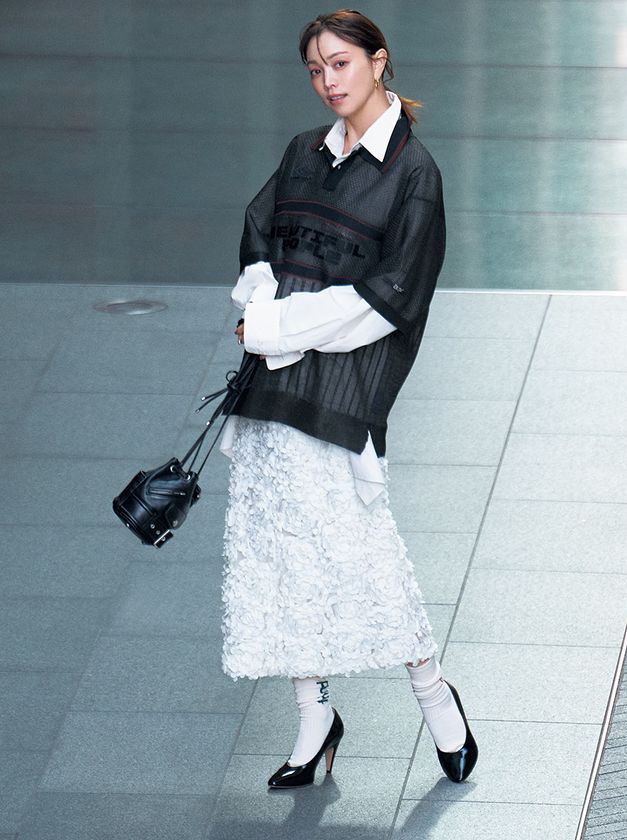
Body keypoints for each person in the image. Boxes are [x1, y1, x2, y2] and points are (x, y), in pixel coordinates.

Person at [219, 9, 478, 789]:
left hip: (340, 398)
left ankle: (435, 696)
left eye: (339, 63)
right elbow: (259, 239)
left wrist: (277, 327)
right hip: (272, 391)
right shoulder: (304, 153)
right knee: (281, 559)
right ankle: (315, 721)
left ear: (378, 61)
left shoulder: (414, 174)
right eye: (315, 69)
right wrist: (262, 306)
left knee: (362, 554)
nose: (328, 81)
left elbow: (388, 300)